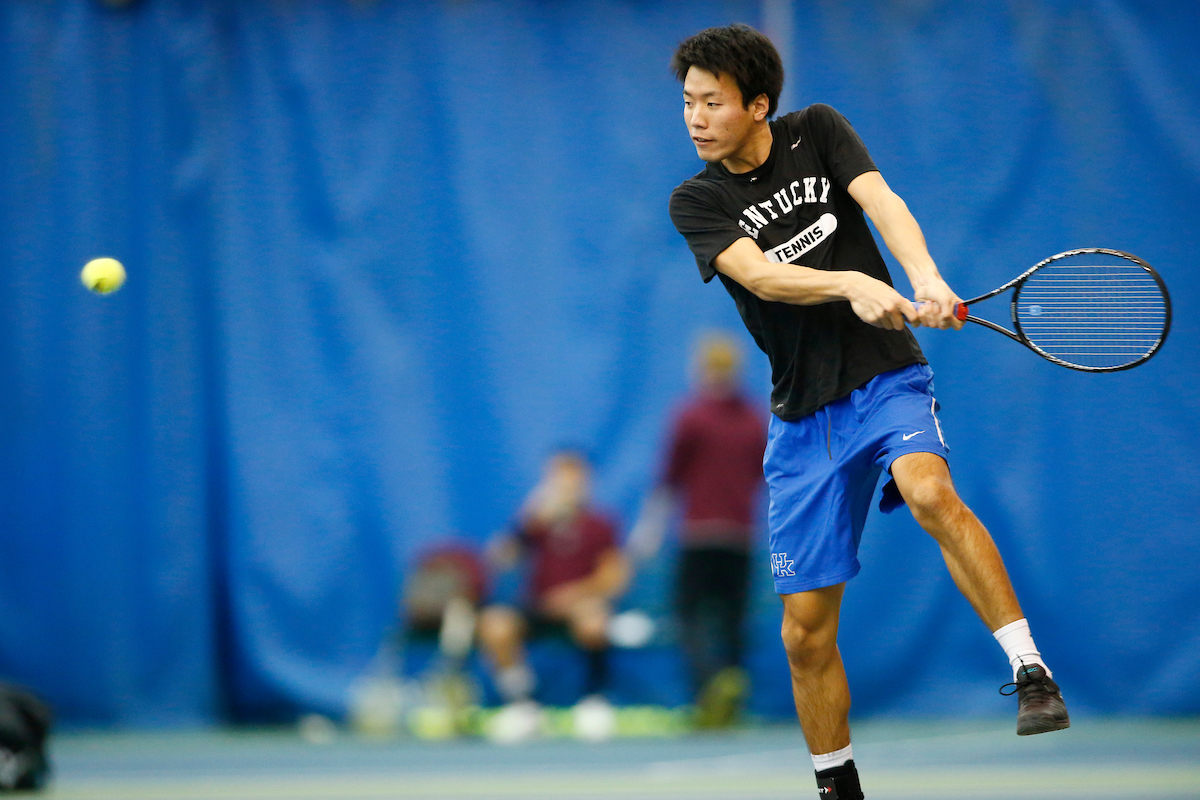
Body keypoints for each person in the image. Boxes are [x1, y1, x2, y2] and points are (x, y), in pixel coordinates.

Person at [667, 24, 1068, 800]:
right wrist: (849, 284)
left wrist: (926, 275)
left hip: (886, 380)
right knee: (803, 635)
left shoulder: (817, 130)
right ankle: (836, 785)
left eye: (712, 102)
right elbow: (761, 276)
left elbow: (881, 202)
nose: (695, 118)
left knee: (928, 490)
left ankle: (1029, 669)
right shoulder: (698, 198)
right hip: (801, 420)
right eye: (687, 103)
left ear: (758, 105)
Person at [630, 333, 766, 727]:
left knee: (689, 616)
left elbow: (669, 478)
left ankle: (708, 689)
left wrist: (649, 530)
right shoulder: (754, 418)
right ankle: (732, 693)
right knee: (734, 620)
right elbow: (765, 477)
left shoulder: (689, 415)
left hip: (699, 534)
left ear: (703, 369)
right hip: (740, 536)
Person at [477, 448, 630, 740]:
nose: (566, 483)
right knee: (495, 625)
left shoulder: (601, 524)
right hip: (537, 607)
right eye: (559, 476)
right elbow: (499, 558)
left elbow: (615, 578)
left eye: (573, 476)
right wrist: (524, 524)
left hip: (579, 608)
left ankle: (593, 701)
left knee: (594, 619)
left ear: (586, 480)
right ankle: (524, 705)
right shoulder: (534, 523)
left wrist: (575, 595)